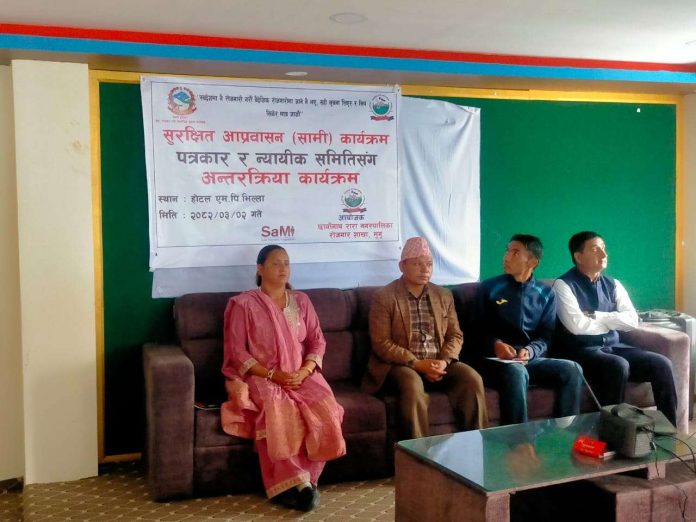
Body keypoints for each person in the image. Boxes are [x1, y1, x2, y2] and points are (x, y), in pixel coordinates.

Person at [220, 245, 346, 512]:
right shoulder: (244, 304)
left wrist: (305, 371)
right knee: (279, 410)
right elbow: (237, 351)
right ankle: (297, 484)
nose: (283, 268)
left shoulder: (302, 300)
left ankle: (305, 480)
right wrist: (272, 374)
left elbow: (317, 341)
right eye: (276, 263)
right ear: (260, 269)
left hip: (301, 373)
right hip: (262, 375)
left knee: (327, 407)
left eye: (287, 263)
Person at [363, 236, 488, 440]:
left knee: (471, 378)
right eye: (417, 264)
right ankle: (417, 453)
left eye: (429, 264)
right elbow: (381, 343)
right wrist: (417, 363)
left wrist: (444, 361)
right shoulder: (384, 297)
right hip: (400, 365)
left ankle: (475, 445)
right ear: (402, 266)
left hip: (438, 361)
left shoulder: (443, 295)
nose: (425, 269)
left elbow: (455, 335)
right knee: (411, 383)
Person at [554, 231, 677, 425]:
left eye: (604, 248)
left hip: (614, 346)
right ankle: (611, 431)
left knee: (662, 364)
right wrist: (613, 320)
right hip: (582, 351)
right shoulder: (563, 285)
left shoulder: (614, 284)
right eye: (596, 249)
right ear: (578, 256)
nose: (604, 254)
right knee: (618, 365)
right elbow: (577, 326)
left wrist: (596, 316)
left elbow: (632, 321)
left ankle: (669, 429)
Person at [473, 234, 583, 425]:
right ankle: (518, 438)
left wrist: (530, 351)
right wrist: (495, 344)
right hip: (493, 360)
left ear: (533, 261)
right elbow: (475, 329)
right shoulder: (490, 287)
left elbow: (546, 336)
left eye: (515, 252)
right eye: (507, 251)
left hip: (527, 358)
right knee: (516, 372)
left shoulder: (546, 293)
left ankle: (565, 433)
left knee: (573, 369)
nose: (506, 257)